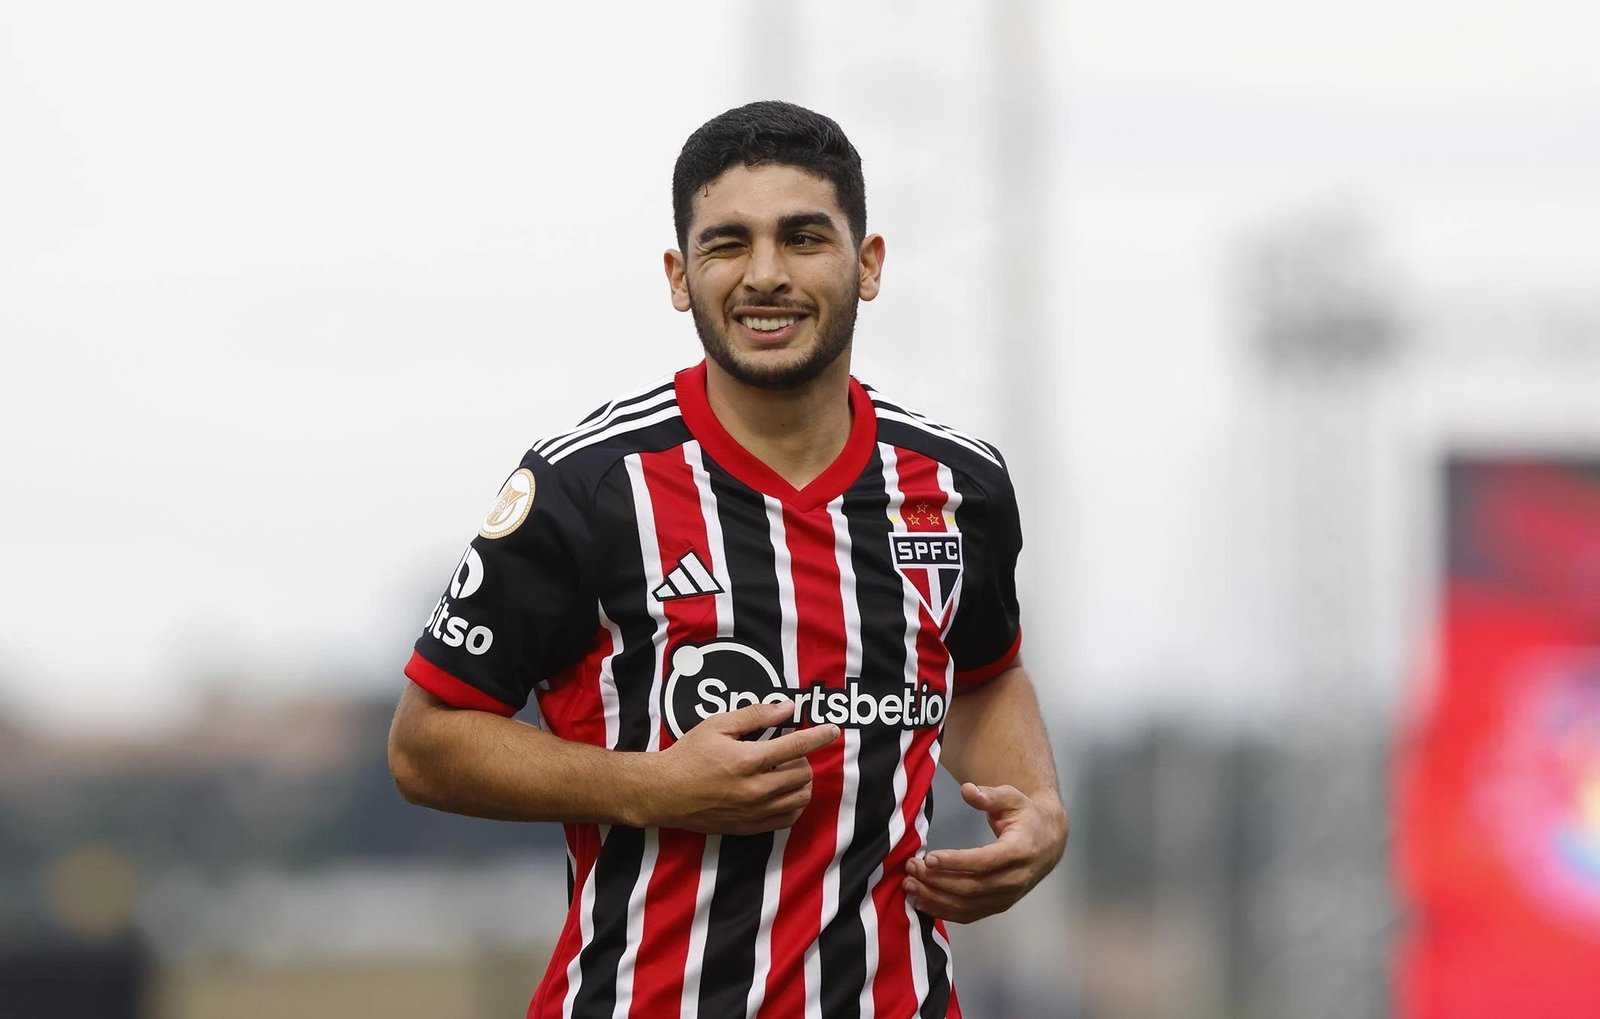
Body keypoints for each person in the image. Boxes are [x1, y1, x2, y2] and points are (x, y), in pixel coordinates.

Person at [388, 100, 1068, 1019]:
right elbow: (425, 743)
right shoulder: (589, 487)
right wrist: (654, 787)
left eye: (803, 238)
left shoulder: (959, 486)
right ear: (680, 277)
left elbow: (983, 674)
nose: (766, 274)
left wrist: (1037, 808)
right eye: (727, 244)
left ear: (868, 264)